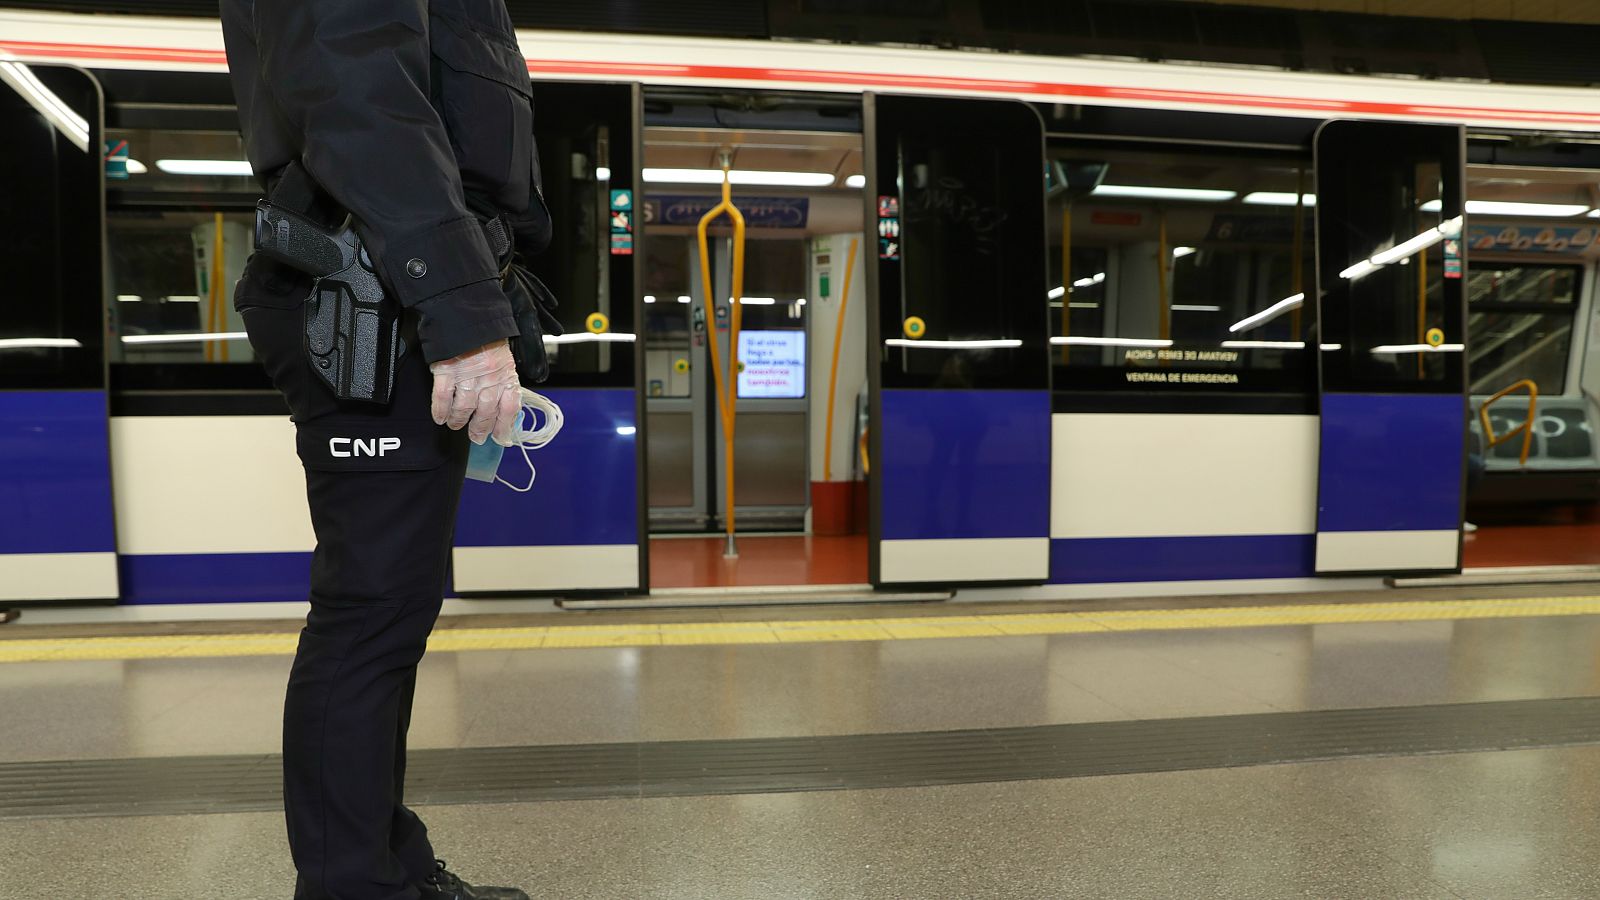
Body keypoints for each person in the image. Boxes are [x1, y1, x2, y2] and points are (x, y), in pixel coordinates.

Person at [220, 1, 548, 897]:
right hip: (368, 297)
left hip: (385, 284)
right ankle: (353, 886)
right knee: (369, 617)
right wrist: (460, 308)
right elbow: (359, 90)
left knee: (389, 614)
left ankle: (384, 867)